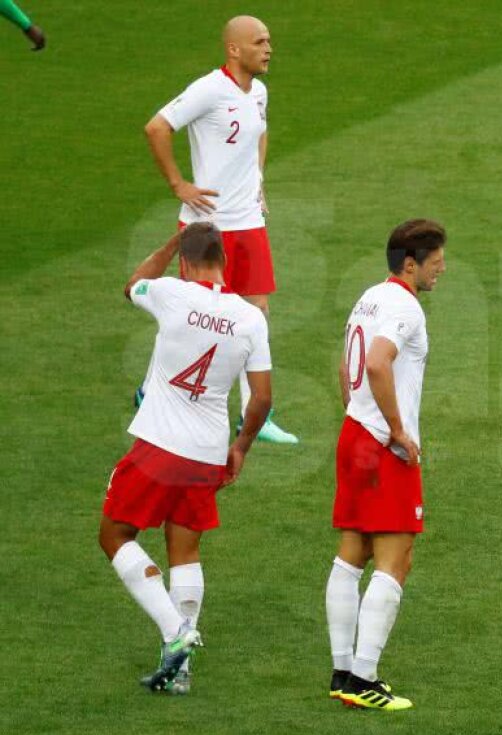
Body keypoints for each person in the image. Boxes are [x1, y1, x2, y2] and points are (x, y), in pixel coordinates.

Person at [98, 223, 272, 695]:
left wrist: (172, 242)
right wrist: (241, 447)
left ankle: (175, 631)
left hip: (159, 445)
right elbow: (260, 399)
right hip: (209, 451)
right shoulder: (251, 317)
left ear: (185, 262)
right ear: (224, 262)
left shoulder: (171, 293)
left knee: (114, 534)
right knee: (185, 550)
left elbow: (131, 284)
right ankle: (181, 674)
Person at [142, 15, 296, 444]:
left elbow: (259, 135)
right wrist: (178, 184)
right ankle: (149, 388)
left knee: (257, 312)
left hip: (249, 221)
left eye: (269, 41)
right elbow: (157, 127)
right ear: (234, 49)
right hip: (208, 225)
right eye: (260, 42)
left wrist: (258, 180)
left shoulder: (259, 92)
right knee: (188, 315)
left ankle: (256, 417)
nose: (269, 49)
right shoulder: (208, 89)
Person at [325, 220, 447, 712]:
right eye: (437, 261)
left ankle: (341, 670)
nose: (443, 268)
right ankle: (363, 679)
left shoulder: (369, 296)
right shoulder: (404, 305)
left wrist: (358, 416)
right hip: (381, 444)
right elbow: (377, 363)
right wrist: (396, 429)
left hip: (354, 433)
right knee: (396, 559)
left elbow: (345, 367)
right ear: (411, 263)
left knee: (352, 552)